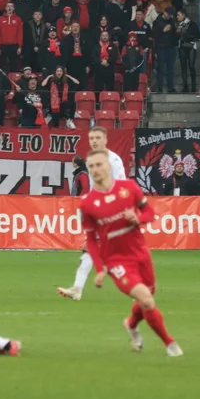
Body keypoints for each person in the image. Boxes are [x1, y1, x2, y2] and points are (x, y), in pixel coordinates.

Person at [78, 148, 182, 356]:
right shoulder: (87, 204)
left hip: (140, 253)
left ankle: (132, 324)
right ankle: (170, 344)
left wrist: (138, 218)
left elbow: (150, 212)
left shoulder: (129, 188)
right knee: (146, 300)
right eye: (91, 166)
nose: (95, 170)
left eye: (99, 165)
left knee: (148, 295)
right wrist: (100, 269)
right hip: (116, 260)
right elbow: (90, 240)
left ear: (109, 166)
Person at [58, 126, 127, 301]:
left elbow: (121, 187)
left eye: (97, 138)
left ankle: (139, 285)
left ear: (105, 140)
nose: (94, 141)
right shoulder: (91, 160)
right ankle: (77, 288)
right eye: (91, 138)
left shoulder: (114, 160)